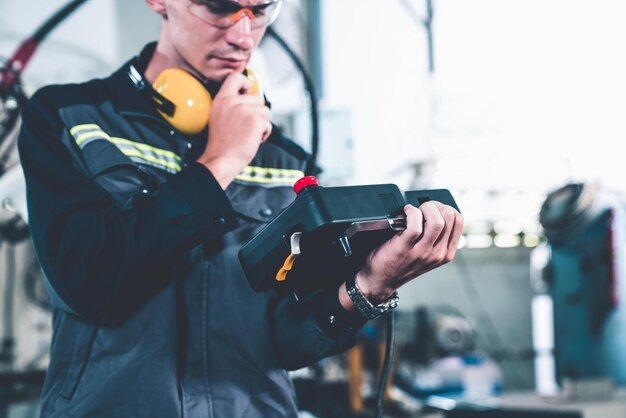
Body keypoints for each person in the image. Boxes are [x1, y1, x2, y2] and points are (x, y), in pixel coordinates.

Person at [18, 0, 463, 417]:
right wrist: (220, 162)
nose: (244, 36)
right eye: (221, 7)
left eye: (261, 9)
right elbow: (86, 279)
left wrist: (370, 284)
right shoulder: (68, 119)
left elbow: (286, 341)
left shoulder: (285, 159)